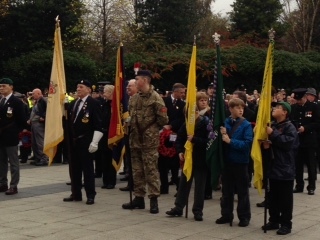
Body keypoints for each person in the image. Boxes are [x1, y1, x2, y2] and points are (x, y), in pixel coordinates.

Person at [122, 70, 168, 214]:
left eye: (137, 79)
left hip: (149, 140)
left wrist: (151, 130)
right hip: (135, 139)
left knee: (151, 170)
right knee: (137, 170)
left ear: (145, 80)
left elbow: (163, 120)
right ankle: (139, 198)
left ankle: (153, 200)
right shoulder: (134, 99)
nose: (135, 82)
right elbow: (131, 115)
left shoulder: (156, 98)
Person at [165, 105, 209, 221]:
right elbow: (180, 139)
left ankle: (198, 211)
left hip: (201, 159)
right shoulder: (186, 125)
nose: (194, 114)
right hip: (188, 158)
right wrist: (180, 151)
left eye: (195, 112)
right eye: (190, 113)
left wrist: (194, 139)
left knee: (199, 186)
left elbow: (209, 141)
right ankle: (178, 207)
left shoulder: (206, 123)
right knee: (184, 184)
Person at [63, 80, 103, 205]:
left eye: (81, 87)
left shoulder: (93, 103)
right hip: (73, 141)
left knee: (88, 169)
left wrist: (95, 142)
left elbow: (98, 124)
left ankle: (90, 194)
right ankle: (76, 193)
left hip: (85, 140)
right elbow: (69, 123)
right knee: (74, 169)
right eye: (77, 87)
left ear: (89, 89)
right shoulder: (73, 103)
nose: (78, 89)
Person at [261, 101, 299, 235]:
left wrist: (273, 134)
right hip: (273, 167)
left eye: (278, 108)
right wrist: (267, 145)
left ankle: (286, 223)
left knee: (285, 199)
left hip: (285, 168)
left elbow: (288, 143)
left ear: (285, 112)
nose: (274, 109)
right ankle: (274, 219)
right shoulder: (274, 125)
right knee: (273, 197)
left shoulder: (290, 127)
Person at [216, 98, 253, 227]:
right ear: (230, 109)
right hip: (227, 161)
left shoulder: (246, 124)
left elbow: (247, 144)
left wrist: (230, 141)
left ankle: (244, 216)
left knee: (242, 191)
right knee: (226, 190)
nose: (241, 110)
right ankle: (226, 214)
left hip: (240, 161)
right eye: (237, 107)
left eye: (242, 107)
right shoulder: (224, 122)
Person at [0, 78, 27, 195]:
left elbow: (22, 120)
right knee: (1, 162)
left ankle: (13, 185)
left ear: (11, 87)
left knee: (13, 162)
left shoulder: (16, 102)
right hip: (1, 136)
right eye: (0, 86)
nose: (1, 88)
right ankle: (2, 183)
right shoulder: (1, 101)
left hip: (11, 136)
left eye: (4, 86)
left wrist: (14, 130)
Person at [290, 88, 320, 195]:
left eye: (300, 100)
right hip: (298, 140)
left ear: (304, 97)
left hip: (309, 140)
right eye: (297, 100)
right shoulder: (294, 108)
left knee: (310, 164)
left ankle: (311, 187)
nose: (298, 102)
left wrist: (306, 128)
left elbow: (317, 122)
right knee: (298, 165)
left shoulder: (313, 107)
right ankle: (299, 185)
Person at [159, 83, 186, 194]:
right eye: (181, 92)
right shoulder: (164, 102)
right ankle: (164, 186)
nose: (183, 94)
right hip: (162, 133)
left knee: (174, 161)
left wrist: (171, 126)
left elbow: (181, 118)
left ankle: (177, 184)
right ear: (175, 91)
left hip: (175, 133)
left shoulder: (183, 104)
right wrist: (164, 125)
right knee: (162, 161)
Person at [119, 79, 138, 192]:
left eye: (130, 86)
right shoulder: (127, 100)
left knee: (136, 161)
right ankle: (131, 183)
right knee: (129, 159)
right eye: (127, 87)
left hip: (136, 134)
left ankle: (137, 184)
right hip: (127, 132)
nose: (127, 88)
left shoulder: (139, 99)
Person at [100, 85, 116, 189]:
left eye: (105, 91)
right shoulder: (104, 104)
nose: (103, 93)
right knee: (104, 159)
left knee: (111, 159)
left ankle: (111, 181)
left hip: (112, 135)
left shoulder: (115, 105)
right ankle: (105, 180)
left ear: (111, 93)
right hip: (103, 134)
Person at [27, 88, 48, 166]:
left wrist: (43, 117)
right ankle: (38, 158)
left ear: (39, 93)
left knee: (40, 142)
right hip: (34, 123)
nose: (32, 95)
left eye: (33, 94)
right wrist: (30, 119)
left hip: (39, 124)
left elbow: (48, 110)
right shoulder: (37, 101)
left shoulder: (43, 101)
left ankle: (44, 158)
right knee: (34, 142)